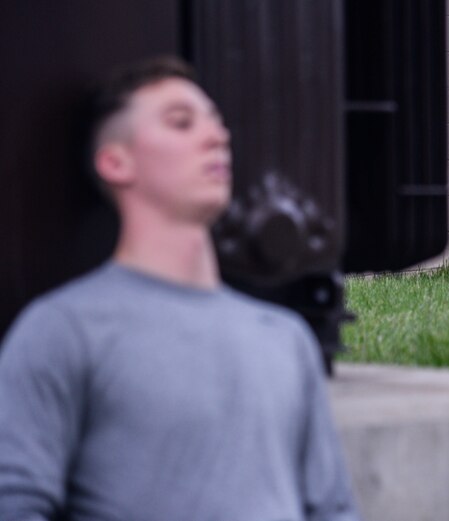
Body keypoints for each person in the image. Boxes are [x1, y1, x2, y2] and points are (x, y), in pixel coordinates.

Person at [0, 56, 360, 521]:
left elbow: (333, 510)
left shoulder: (285, 338)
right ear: (115, 161)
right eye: (181, 123)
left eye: (217, 123)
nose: (218, 137)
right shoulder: (63, 330)